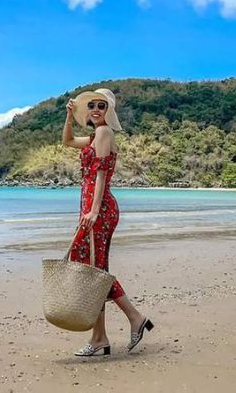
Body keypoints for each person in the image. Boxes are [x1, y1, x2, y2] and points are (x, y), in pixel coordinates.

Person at [62, 88, 154, 357]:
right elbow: (67, 142)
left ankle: (131, 320)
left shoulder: (103, 133)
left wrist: (92, 211)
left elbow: (101, 173)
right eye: (91, 105)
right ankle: (101, 336)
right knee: (94, 269)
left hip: (99, 209)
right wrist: (69, 116)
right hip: (94, 208)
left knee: (94, 271)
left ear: (108, 111)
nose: (96, 109)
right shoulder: (94, 136)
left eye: (102, 105)